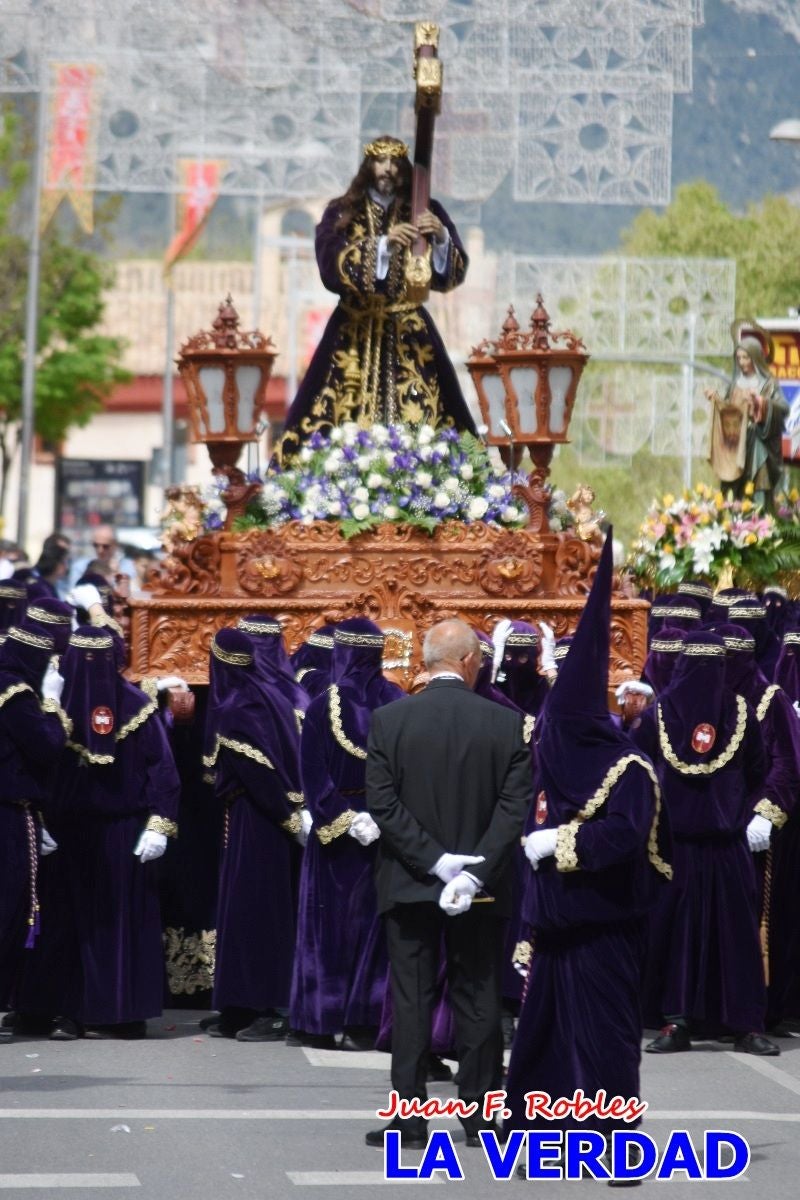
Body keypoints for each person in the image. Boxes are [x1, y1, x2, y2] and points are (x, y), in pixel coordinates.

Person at [505, 532, 670, 1165]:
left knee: (606, 1039)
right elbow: (533, 821)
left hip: (604, 922)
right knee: (541, 1036)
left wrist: (561, 843)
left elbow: (624, 837)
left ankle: (620, 1146)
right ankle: (530, 1139)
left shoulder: (628, 769)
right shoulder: (554, 762)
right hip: (554, 921)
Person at [364, 618, 532, 1148]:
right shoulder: (506, 725)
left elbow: (383, 805)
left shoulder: (390, 720)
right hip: (481, 884)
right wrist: (472, 869)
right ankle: (482, 1116)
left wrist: (436, 863)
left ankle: (409, 1119)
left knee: (411, 996)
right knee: (478, 992)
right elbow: (513, 810)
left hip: (411, 879)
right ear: (466, 661)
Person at [276, 136, 476, 461]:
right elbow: (330, 264)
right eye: (381, 162)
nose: (387, 169)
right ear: (368, 166)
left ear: (405, 168)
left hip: (408, 331)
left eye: (395, 163)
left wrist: (439, 238)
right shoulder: (342, 211)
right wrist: (382, 246)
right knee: (327, 416)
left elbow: (451, 275)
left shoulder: (426, 210)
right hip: (354, 329)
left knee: (434, 415)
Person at [632, 631, 775, 1055]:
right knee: (683, 934)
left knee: (733, 935)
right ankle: (681, 1020)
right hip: (684, 845)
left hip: (716, 843)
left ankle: (741, 1022)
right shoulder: (725, 710)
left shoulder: (671, 711)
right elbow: (756, 769)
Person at [41, 626, 180, 1039]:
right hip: (68, 831)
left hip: (125, 830)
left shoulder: (137, 707)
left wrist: (160, 822)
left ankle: (124, 1011)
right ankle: (70, 1011)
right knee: (70, 924)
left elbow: (164, 771)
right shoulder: (55, 710)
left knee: (122, 922)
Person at [290, 619, 404, 1050]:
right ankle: (366, 1020)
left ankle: (322, 1020)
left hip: (338, 839)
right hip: (384, 830)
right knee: (376, 930)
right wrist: (380, 817)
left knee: (328, 928)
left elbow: (312, 774)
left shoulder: (322, 705)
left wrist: (341, 816)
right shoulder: (399, 701)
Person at [203, 628, 306, 1042]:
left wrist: (287, 817)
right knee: (242, 912)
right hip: (249, 819)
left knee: (258, 913)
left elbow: (261, 775)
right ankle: (239, 1003)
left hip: (258, 822)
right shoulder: (266, 695)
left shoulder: (238, 706)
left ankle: (272, 1006)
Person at [0, 625, 67, 1033]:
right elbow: (46, 746)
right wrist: (54, 702)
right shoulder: (17, 696)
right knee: (10, 910)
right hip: (8, 813)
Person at [705, 324, 789, 511]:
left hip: (759, 440)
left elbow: (782, 408)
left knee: (759, 479)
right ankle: (735, 519)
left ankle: (760, 521)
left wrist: (761, 402)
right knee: (734, 482)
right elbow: (730, 410)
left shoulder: (768, 383)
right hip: (737, 441)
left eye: (746, 357)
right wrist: (716, 399)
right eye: (739, 358)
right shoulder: (736, 384)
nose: (742, 362)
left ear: (755, 358)